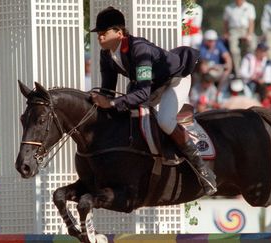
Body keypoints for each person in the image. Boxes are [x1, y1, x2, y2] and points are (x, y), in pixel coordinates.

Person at [90, 7, 217, 195]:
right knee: (129, 114)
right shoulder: (106, 55)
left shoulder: (139, 50)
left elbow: (141, 94)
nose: (99, 37)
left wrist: (112, 104)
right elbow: (108, 88)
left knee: (165, 121)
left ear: (119, 32)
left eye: (104, 32)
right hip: (153, 85)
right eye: (98, 33)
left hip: (175, 79)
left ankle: (203, 170)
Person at [223, 0, 256, 75]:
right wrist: (225, 33)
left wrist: (249, 35)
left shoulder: (250, 7)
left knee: (252, 46)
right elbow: (225, 22)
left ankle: (250, 69)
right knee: (234, 50)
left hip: (246, 29)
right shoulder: (229, 8)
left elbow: (251, 22)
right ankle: (238, 71)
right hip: (234, 30)